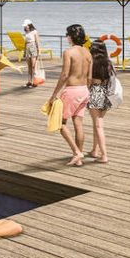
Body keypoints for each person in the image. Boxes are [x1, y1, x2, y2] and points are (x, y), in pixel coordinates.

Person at [46, 24, 92, 166]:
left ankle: (76, 152)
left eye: (67, 35)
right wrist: (86, 90)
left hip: (72, 90)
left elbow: (65, 74)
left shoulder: (69, 52)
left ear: (70, 37)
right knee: (78, 123)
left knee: (60, 122)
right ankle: (78, 157)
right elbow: (90, 77)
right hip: (84, 90)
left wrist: (54, 94)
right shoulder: (88, 53)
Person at [87, 41, 113, 164]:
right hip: (106, 92)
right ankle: (94, 150)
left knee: (98, 125)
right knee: (96, 123)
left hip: (95, 91)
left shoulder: (92, 62)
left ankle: (104, 155)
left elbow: (89, 80)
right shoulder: (108, 62)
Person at [23, 19, 41, 88]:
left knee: (34, 66)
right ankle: (29, 81)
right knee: (29, 66)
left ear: (29, 25)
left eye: (26, 26)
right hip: (27, 47)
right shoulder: (27, 32)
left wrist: (39, 50)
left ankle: (35, 82)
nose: (25, 27)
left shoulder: (34, 32)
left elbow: (37, 41)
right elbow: (25, 42)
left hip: (33, 47)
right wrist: (24, 51)